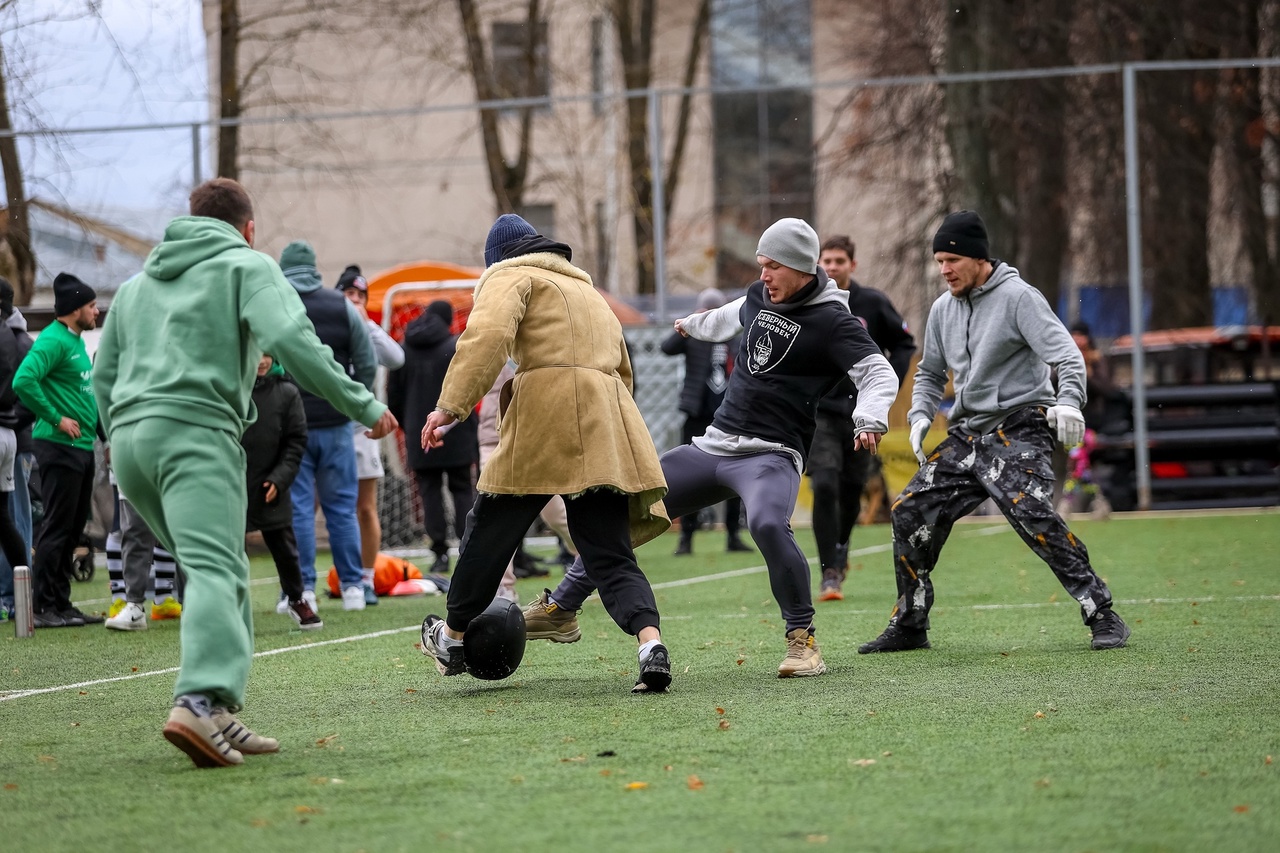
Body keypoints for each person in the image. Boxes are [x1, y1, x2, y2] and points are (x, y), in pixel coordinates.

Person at [93, 177, 396, 768]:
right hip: (195, 432)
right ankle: (198, 699)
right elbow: (293, 338)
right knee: (213, 566)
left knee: (218, 565)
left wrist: (119, 438)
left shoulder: (136, 285)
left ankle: (221, 710)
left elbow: (104, 372)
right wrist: (363, 404)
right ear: (249, 227)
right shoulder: (246, 266)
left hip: (129, 441)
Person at [524, 218, 898, 678]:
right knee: (618, 512)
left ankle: (803, 641)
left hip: (771, 456)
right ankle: (561, 607)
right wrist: (692, 325)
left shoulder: (834, 320)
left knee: (764, 523)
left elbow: (880, 373)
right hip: (714, 446)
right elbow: (733, 312)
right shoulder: (762, 294)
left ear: (802, 268)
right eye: (761, 265)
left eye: (773, 266)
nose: (763, 275)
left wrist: (869, 416)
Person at [418, 213, 673, 694]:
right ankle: (650, 645)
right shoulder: (588, 292)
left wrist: (450, 406)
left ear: (497, 259)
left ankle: (450, 639)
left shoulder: (511, 275)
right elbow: (623, 368)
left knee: (490, 529)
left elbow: (487, 337)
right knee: (608, 551)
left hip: (544, 413)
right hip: (605, 418)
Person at [858, 210, 1130, 655]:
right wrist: (922, 414)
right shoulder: (943, 308)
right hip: (967, 435)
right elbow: (928, 373)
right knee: (908, 510)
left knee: (1032, 513)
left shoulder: (1019, 298)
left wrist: (1068, 401)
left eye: (951, 259)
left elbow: (1067, 356)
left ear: (979, 258)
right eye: (939, 261)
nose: (944, 269)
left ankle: (1101, 612)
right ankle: (910, 624)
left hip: (1021, 425)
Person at [809, 235, 916, 601]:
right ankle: (829, 571)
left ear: (852, 265)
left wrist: (885, 388)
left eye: (840, 260)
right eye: (827, 260)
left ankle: (841, 547)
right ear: (817, 263)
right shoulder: (809, 302)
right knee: (823, 484)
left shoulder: (871, 302)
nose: (833, 267)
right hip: (820, 411)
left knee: (851, 489)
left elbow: (904, 344)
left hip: (860, 414)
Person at [279, 240, 379, 610]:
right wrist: (355, 401)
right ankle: (353, 587)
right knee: (342, 508)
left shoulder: (277, 305)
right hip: (338, 423)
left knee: (300, 509)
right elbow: (366, 361)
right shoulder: (340, 304)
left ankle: (302, 589)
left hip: (292, 426)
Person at [13, 272, 104, 628]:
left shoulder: (76, 341)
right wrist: (56, 417)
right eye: (92, 306)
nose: (96, 312)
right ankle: (41, 606)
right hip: (58, 446)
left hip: (81, 447)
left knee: (73, 527)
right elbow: (24, 380)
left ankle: (62, 603)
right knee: (57, 527)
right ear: (74, 309)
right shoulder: (52, 340)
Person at [387, 300, 478, 575]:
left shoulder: (403, 349)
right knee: (462, 489)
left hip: (419, 432)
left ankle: (439, 553)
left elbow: (394, 396)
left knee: (429, 493)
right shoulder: (454, 347)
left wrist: (412, 427)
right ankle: (467, 549)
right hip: (458, 429)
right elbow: (470, 389)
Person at [661, 287, 752, 556]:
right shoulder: (693, 335)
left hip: (729, 414)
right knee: (690, 477)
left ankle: (734, 535)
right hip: (697, 413)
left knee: (734, 475)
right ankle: (686, 537)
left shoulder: (735, 334)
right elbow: (667, 348)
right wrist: (692, 322)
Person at [336, 265, 404, 581]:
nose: (355, 301)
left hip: (362, 431)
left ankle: (365, 577)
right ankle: (305, 581)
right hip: (330, 429)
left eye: (360, 296)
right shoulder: (329, 328)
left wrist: (369, 326)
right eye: (349, 294)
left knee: (365, 508)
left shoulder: (368, 330)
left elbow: (396, 358)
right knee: (324, 507)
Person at [243, 354, 320, 630]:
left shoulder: (287, 392)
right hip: (231, 483)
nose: (260, 361)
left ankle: (297, 598)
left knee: (284, 547)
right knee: (226, 550)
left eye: (266, 354)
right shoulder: (231, 387)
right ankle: (226, 607)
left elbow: (296, 441)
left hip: (270, 484)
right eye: (256, 353)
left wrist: (279, 478)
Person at [0, 280, 35, 621]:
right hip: (14, 439)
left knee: (16, 519)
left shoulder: (20, 343)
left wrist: (8, 420)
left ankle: (16, 596)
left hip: (16, 443)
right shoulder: (16, 340)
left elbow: (32, 399)